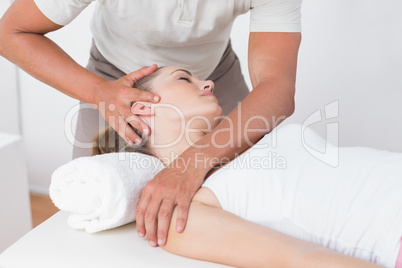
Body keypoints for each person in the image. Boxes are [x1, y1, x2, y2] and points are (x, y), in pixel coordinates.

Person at [0, 0, 302, 247]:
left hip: (212, 70)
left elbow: (277, 84)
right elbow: (11, 32)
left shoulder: (208, 86)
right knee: (95, 212)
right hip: (112, 74)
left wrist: (192, 163)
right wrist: (98, 93)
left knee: (253, 195)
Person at [92, 66, 402, 268]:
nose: (209, 82)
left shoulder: (244, 143)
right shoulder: (182, 215)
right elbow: (299, 260)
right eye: (184, 78)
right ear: (143, 108)